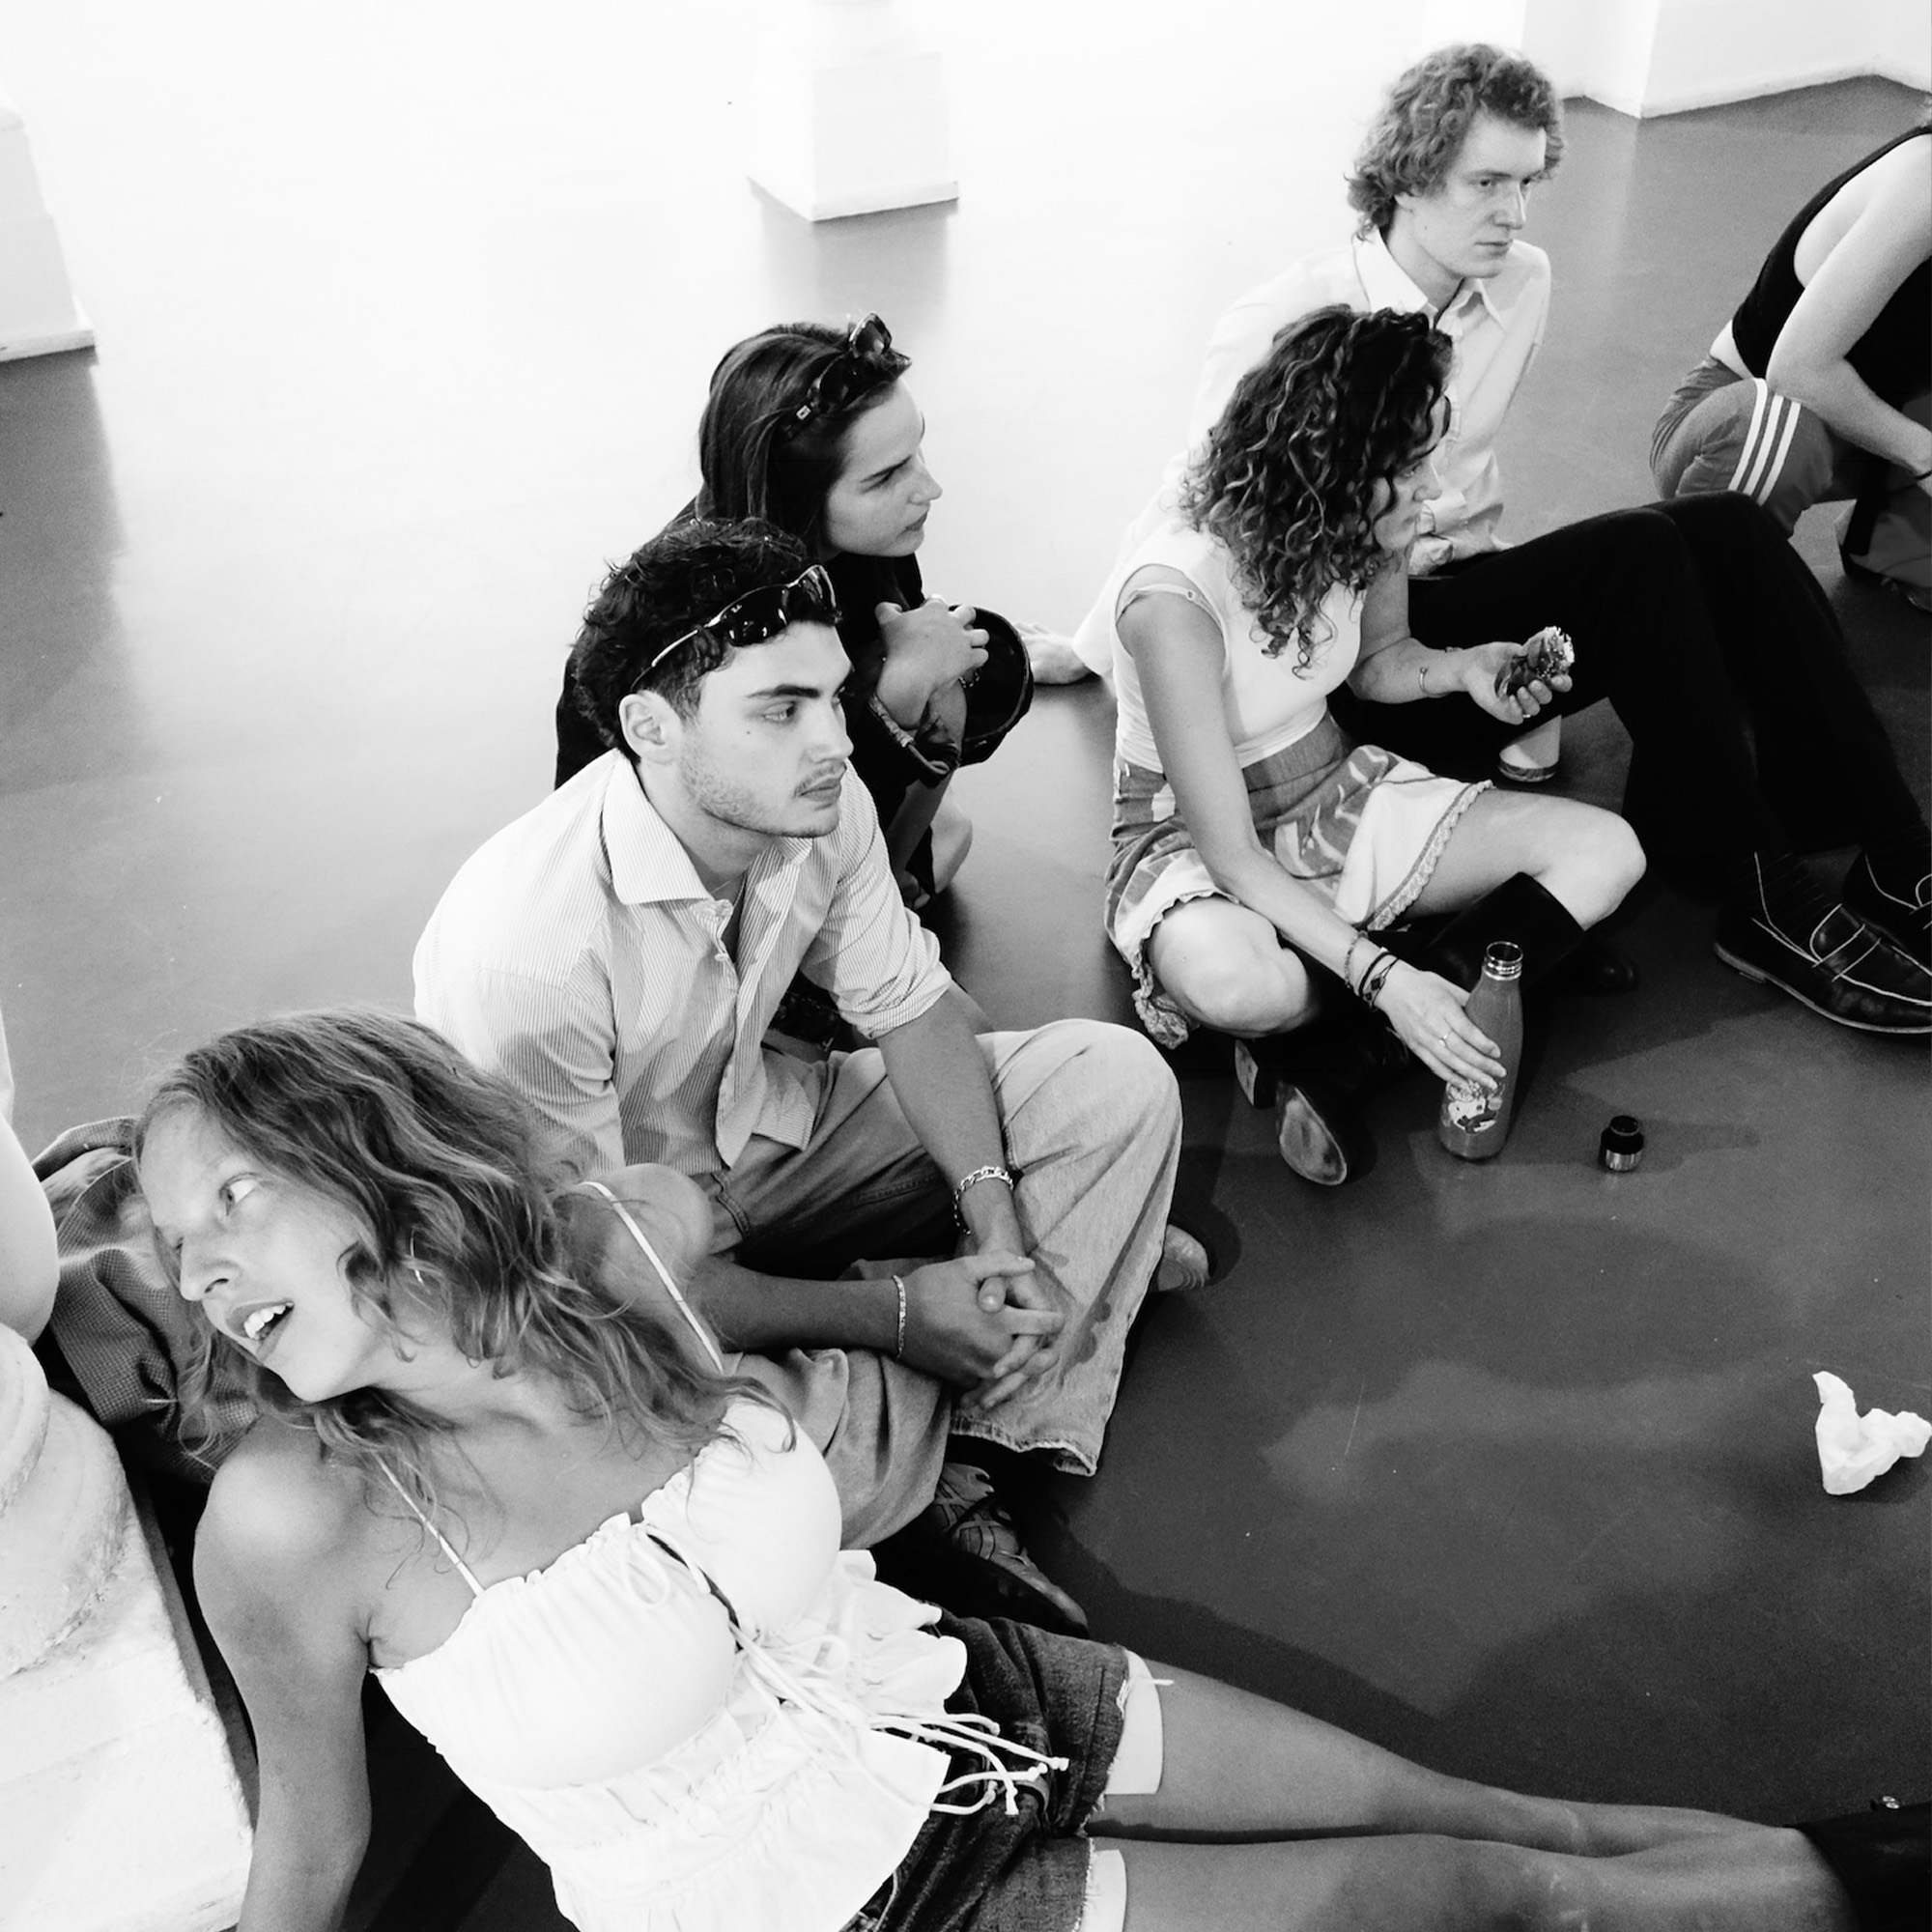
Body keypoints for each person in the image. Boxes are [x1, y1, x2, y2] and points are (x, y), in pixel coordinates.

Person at [139, 1008, 1919, 1932]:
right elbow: (315, 1844)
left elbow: (780, 1340)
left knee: (1498, 1816)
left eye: (239, 1196)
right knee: (1502, 1902)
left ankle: (1879, 1863)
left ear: (381, 1159)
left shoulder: (620, 1260)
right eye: (174, 1237)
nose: (205, 1267)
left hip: (959, 1693)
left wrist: (931, 1309)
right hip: (842, 1908)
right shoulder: (298, 1517)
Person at [417, 517, 1202, 1635]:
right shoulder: (523, 949)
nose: (833, 739)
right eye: (779, 709)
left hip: (771, 1136)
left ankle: (973, 1450)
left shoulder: (816, 805)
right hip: (619, 1253)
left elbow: (912, 1006)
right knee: (746, 1475)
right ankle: (1007, 1314)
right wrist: (893, 1313)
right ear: (650, 727)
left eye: (833, 696)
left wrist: (991, 1216)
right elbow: (608, 1272)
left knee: (1114, 1079)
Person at [1070, 43, 1932, 1026]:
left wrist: (1480, 647)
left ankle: (1892, 852)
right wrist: (1102, 643)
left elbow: (1459, 504)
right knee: (1641, 559)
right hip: (1321, 677)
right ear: (1406, 174)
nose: (1514, 212)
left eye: (1527, 184)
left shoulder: (1520, 283)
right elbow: (1200, 512)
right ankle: (1759, 890)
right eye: (1485, 183)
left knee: (1727, 531)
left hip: (1416, 611)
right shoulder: (1288, 323)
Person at [1103, 304, 1644, 1183]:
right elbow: (1231, 854)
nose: (1434, 486)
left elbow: (1380, 663)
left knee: (1608, 850)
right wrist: (1392, 979)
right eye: (1408, 464)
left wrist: (1465, 669)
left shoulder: (1358, 525)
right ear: (1332, 467)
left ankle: (1350, 1051)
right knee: (1242, 986)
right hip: (1193, 836)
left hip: (1333, 786)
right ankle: (1470, 965)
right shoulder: (1173, 596)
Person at [554, 314, 1034, 910]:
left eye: (917, 451)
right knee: (935, 706)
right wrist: (901, 692)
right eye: (886, 477)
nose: (929, 487)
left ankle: (877, 890)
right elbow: (743, 815)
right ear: (795, 496)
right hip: (694, 898)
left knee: (946, 718)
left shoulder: (866, 549)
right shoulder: (697, 640)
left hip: (819, 829)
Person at [1652, 119, 1930, 610]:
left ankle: (1889, 542)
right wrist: (1926, 457)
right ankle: (1683, 600)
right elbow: (1797, 371)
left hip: (1868, 439)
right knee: (1783, 433)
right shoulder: (1924, 181)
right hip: (1741, 425)